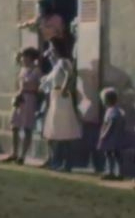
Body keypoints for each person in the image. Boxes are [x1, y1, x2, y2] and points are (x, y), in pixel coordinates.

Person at [40, 37, 82, 172]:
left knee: (64, 129)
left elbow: (69, 74)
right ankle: (54, 160)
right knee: (54, 129)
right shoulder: (56, 64)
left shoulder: (64, 61)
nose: (50, 49)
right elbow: (53, 75)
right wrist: (48, 54)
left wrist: (64, 87)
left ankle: (67, 163)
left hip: (61, 97)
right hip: (54, 97)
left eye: (52, 46)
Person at [4, 47, 42, 165]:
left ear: (30, 58)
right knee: (14, 125)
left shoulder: (36, 71)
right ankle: (14, 153)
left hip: (30, 98)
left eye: (25, 57)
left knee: (27, 127)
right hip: (20, 98)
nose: (23, 59)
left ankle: (22, 155)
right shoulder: (23, 69)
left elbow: (39, 87)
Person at [97, 88, 126, 180]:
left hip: (111, 137)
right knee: (116, 154)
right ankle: (118, 172)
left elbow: (111, 122)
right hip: (117, 136)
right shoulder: (118, 110)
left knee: (109, 154)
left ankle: (111, 172)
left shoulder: (112, 110)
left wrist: (105, 134)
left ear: (107, 100)